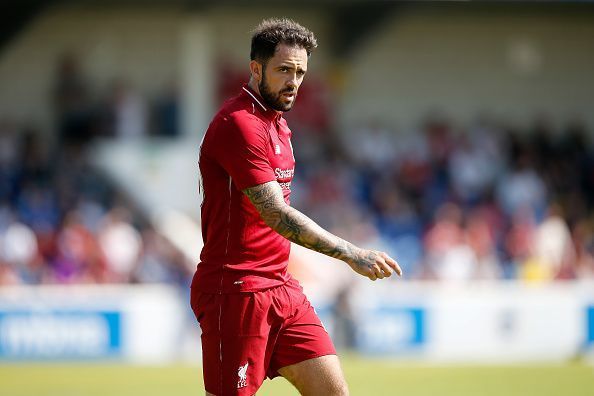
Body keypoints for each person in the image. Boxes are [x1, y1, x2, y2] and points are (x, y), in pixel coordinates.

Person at [190, 18, 402, 396]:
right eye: (284, 70)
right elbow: (275, 214)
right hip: (236, 290)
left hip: (281, 287)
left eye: (300, 72)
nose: (294, 81)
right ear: (256, 69)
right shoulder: (239, 124)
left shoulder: (279, 125)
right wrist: (352, 254)